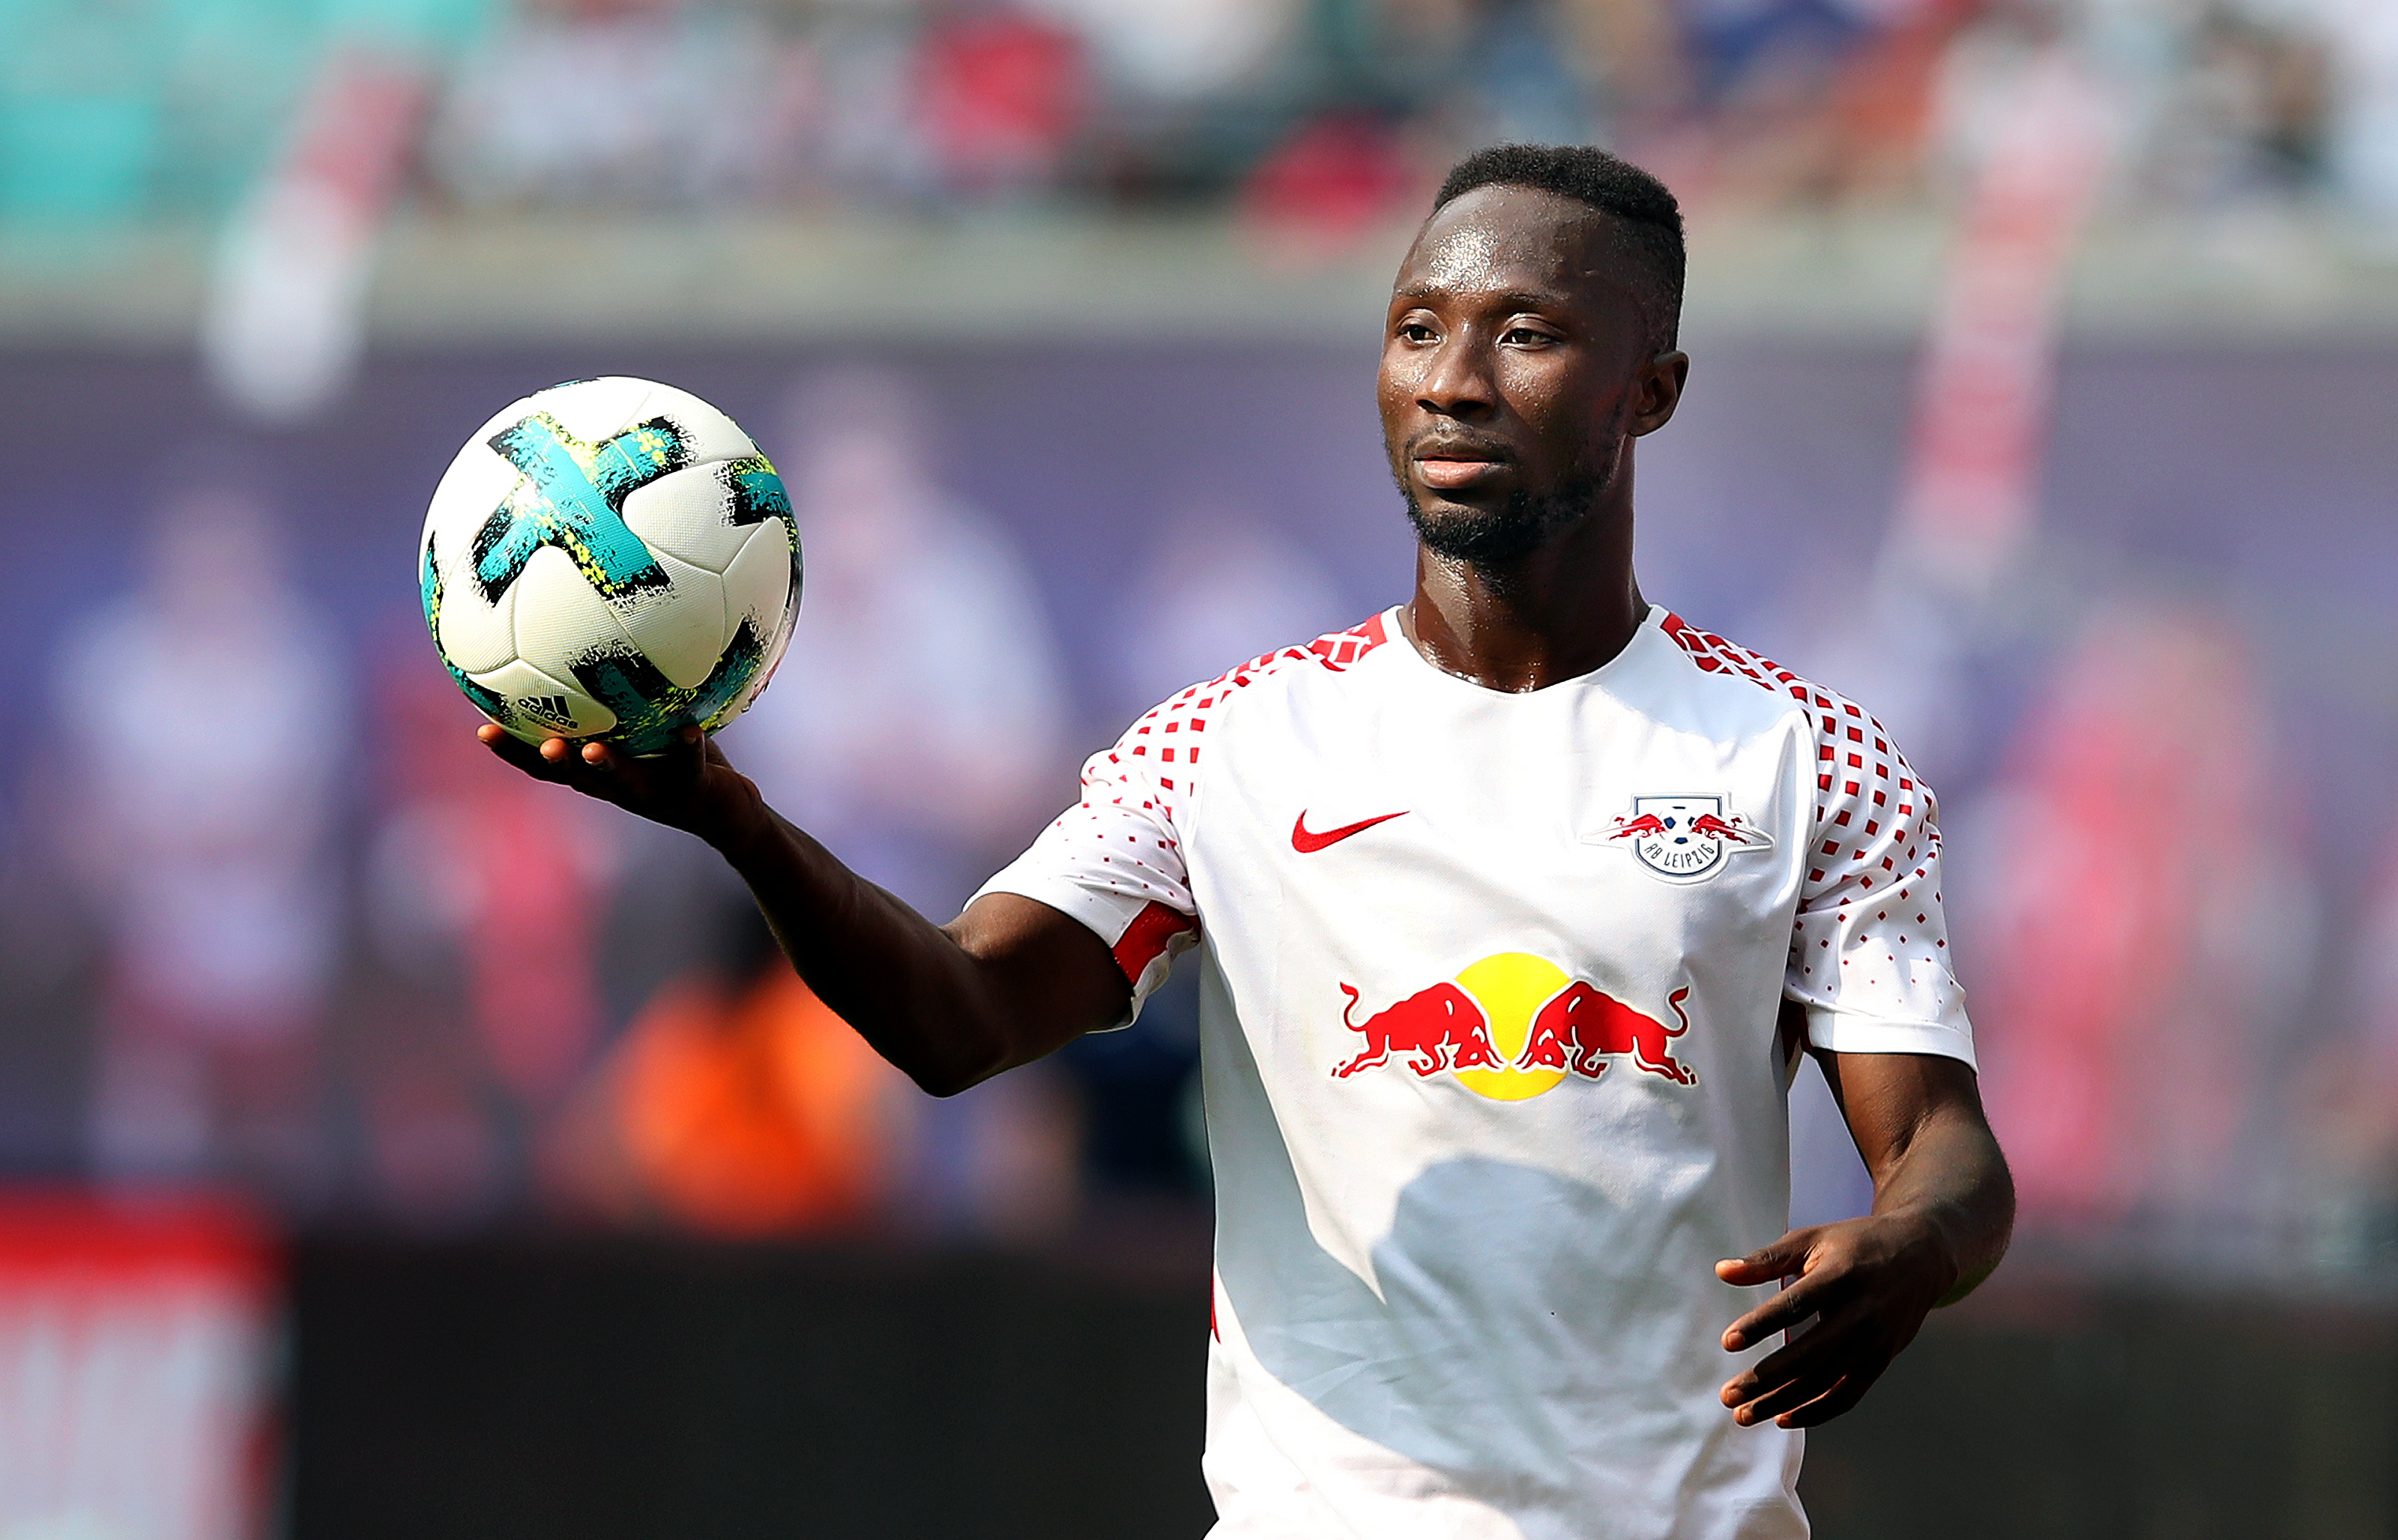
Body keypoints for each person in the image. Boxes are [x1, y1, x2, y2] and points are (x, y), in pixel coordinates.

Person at [478, 143, 2012, 1539]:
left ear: (1650, 389)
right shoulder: (1228, 744)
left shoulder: (1805, 758)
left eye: (1525, 334)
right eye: (1417, 329)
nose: (1453, 380)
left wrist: (1912, 1246)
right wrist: (732, 816)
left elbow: (1942, 1145)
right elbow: (960, 1018)